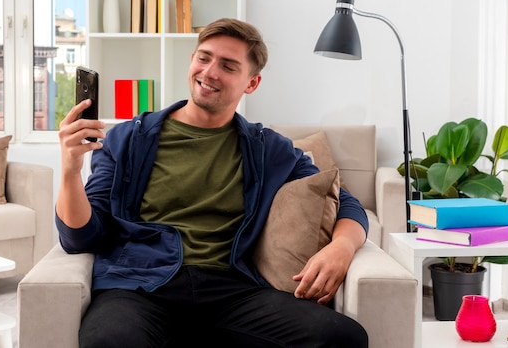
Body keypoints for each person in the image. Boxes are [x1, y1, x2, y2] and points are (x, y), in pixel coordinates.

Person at [57, 18, 369, 347]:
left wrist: (342, 247)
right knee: (110, 341)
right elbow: (81, 237)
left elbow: (344, 202)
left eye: (228, 66)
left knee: (342, 337)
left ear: (252, 83)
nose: (209, 72)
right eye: (203, 58)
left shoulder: (267, 149)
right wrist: (69, 171)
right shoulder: (127, 139)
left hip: (232, 290)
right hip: (141, 286)